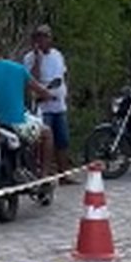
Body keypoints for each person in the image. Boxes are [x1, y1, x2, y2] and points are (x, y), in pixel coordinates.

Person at [0, 34, 56, 217]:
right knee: (47, 134)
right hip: (17, 123)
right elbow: (39, 89)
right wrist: (48, 95)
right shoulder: (18, 69)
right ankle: (44, 176)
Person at [24, 24, 78, 184]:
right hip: (42, 107)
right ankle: (43, 174)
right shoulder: (29, 58)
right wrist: (38, 59)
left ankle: (64, 174)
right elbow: (31, 79)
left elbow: (63, 75)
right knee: (43, 141)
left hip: (59, 104)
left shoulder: (57, 55)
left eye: (45, 37)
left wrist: (65, 92)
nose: (42, 40)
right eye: (39, 37)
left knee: (63, 140)